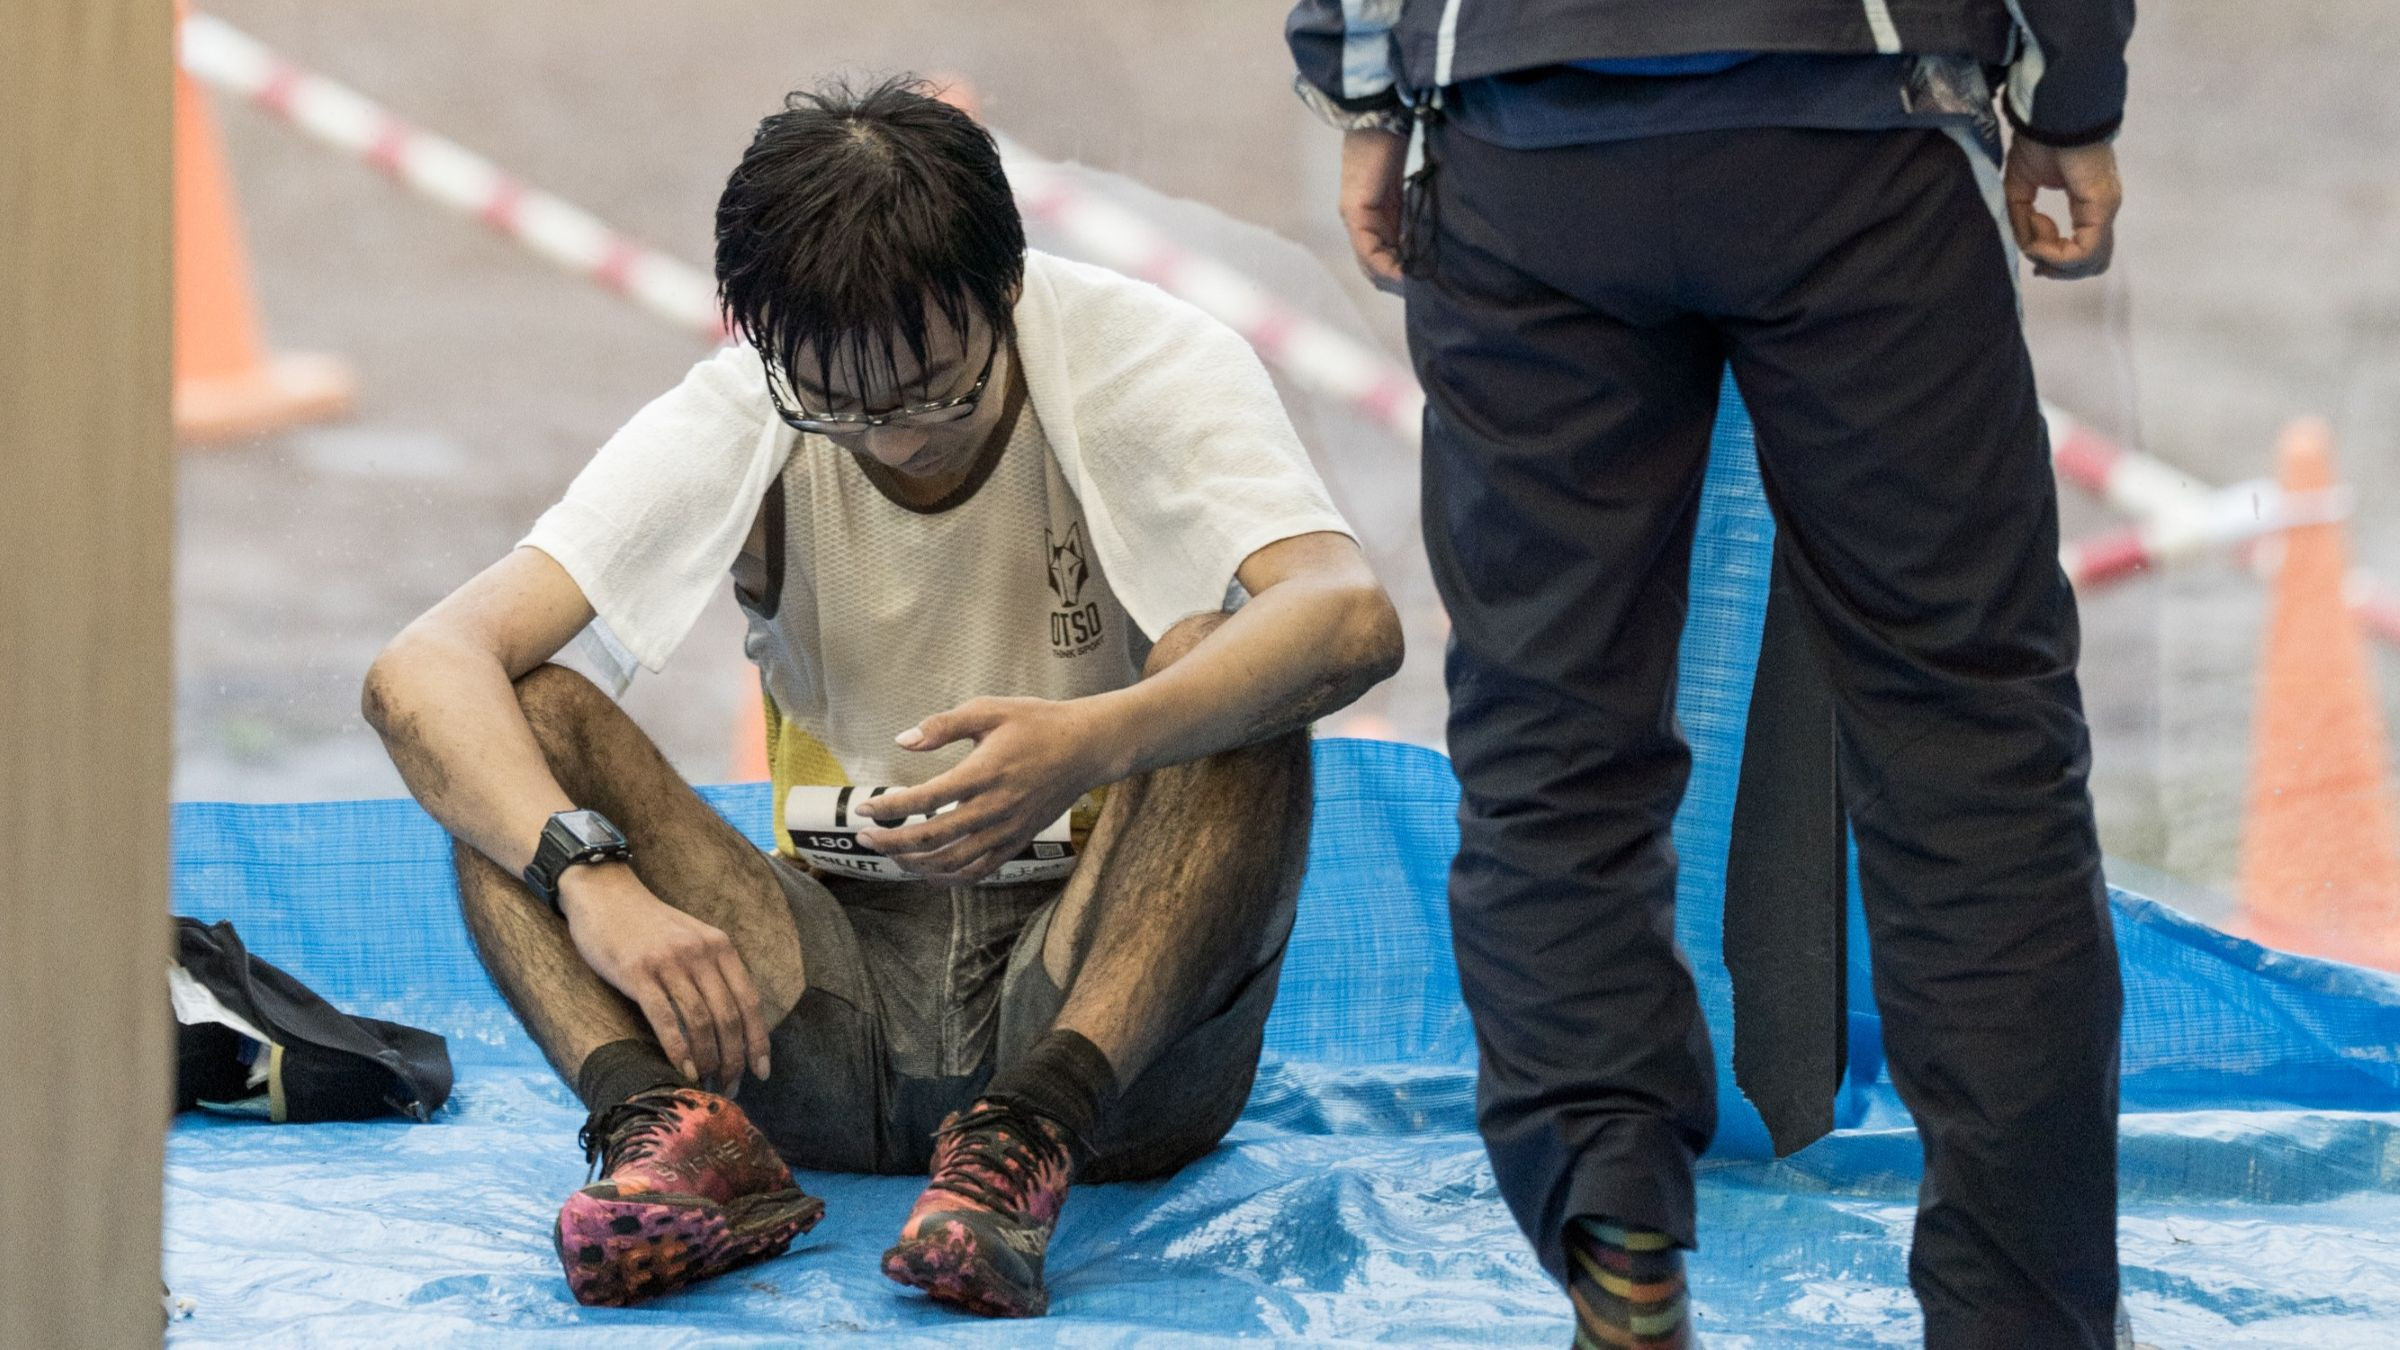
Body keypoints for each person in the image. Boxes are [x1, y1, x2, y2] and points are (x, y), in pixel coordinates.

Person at [363, 76, 1402, 1317]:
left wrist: (1091, 742)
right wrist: (593, 884)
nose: (895, 439)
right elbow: (421, 670)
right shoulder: (748, 403)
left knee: (1227, 671)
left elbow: (1349, 616)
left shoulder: (1147, 357)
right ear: (766, 340)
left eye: (933, 392)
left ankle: (1026, 1138)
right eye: (842, 406)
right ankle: (676, 1137)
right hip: (817, 999)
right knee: (513, 732)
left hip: (1106, 1006)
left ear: (1004, 291)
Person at [1289, 1, 2132, 1345]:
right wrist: (2073, 94)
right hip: (1857, 124)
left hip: (1523, 139)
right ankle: (2017, 1317)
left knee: (1550, 737)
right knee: (1971, 750)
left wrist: (1368, 94)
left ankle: (1613, 1212)